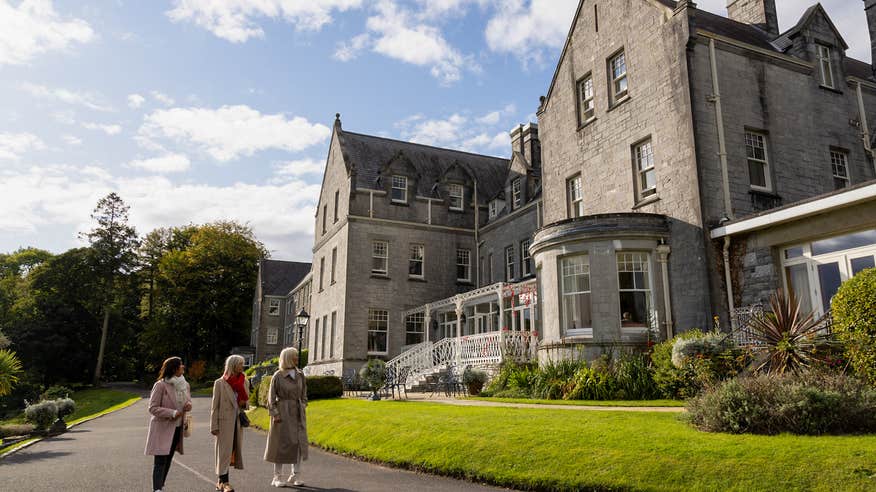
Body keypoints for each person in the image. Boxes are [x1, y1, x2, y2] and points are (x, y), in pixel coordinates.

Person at [145, 356, 192, 492]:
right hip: (162, 428)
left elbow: (188, 401)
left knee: (169, 458)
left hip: (178, 427)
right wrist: (172, 413)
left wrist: (188, 405)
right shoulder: (160, 385)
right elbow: (152, 408)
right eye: (180, 364)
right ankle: (157, 489)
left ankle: (161, 486)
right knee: (160, 460)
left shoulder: (185, 384)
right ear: (174, 368)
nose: (183, 366)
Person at [264, 347, 309, 487]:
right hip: (282, 412)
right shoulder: (278, 375)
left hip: (298, 412)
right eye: (295, 356)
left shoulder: (300, 374)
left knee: (298, 443)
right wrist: (275, 414)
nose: (297, 358)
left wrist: (303, 405)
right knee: (280, 445)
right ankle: (277, 477)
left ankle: (296, 475)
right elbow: (270, 398)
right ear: (288, 358)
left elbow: (304, 393)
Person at [211, 355, 248, 492]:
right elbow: (215, 407)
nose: (242, 366)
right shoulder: (220, 383)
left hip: (237, 422)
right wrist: (214, 426)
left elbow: (246, 403)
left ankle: (220, 482)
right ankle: (225, 483)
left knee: (232, 451)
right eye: (240, 364)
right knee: (223, 453)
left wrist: (244, 404)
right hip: (224, 422)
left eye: (243, 364)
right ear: (233, 365)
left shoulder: (244, 381)